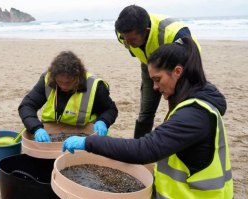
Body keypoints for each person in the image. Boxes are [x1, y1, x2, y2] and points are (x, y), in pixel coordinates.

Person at [62, 37, 233, 198]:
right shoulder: (196, 104)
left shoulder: (194, 115)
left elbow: (144, 150)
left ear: (177, 71)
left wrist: (88, 143)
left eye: (158, 79)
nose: (155, 87)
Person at [115, 5, 200, 138]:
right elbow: (130, 43)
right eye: (124, 39)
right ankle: (138, 151)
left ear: (147, 31)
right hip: (149, 65)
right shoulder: (122, 32)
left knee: (177, 110)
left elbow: (190, 63)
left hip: (181, 68)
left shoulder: (174, 33)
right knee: (145, 113)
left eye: (132, 40)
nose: (127, 43)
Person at [18, 51, 118, 142]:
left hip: (84, 136)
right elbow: (27, 105)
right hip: (51, 133)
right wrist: (37, 128)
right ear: (54, 77)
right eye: (59, 82)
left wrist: (103, 121)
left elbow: (110, 109)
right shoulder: (48, 79)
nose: (63, 86)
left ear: (78, 77)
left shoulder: (95, 86)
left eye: (68, 82)